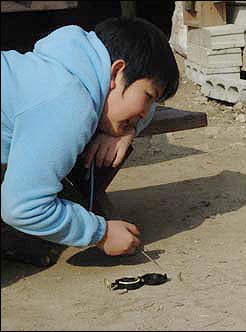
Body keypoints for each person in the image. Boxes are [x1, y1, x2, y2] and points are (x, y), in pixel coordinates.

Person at [1, 17, 179, 265]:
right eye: (148, 96)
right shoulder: (69, 103)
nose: (144, 112)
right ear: (116, 71)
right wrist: (100, 233)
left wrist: (125, 129)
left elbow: (142, 109)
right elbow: (23, 208)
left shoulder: (61, 69)